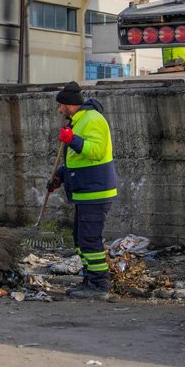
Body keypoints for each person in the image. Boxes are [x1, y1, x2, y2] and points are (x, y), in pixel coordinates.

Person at [47, 81, 118, 300]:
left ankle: (98, 285)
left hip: (95, 191)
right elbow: (77, 159)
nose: (59, 110)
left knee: (89, 239)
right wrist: (60, 175)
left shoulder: (93, 120)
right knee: (80, 238)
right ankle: (90, 279)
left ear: (69, 104)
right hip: (84, 189)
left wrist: (73, 140)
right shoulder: (78, 121)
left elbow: (96, 151)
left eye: (61, 106)